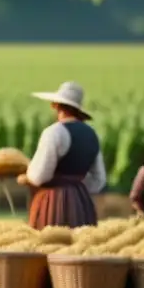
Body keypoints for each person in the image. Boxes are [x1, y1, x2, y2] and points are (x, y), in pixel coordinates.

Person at [17, 82, 104, 229]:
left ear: (56, 106)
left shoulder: (54, 132)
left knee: (51, 244)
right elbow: (98, 180)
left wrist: (27, 177)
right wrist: (76, 187)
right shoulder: (92, 134)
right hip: (81, 203)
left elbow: (39, 176)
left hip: (53, 201)